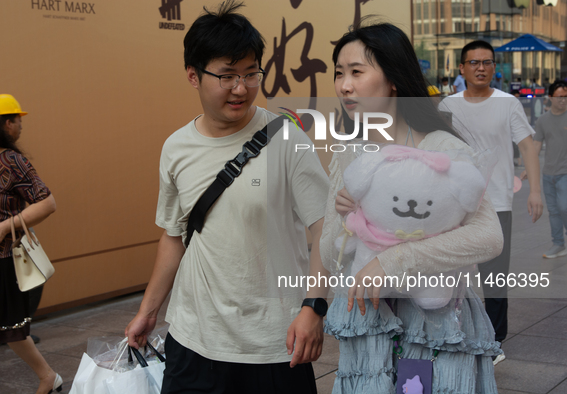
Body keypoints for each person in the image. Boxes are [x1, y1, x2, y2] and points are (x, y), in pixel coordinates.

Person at [125, 2, 330, 393]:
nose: (242, 88)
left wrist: (314, 307)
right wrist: (147, 313)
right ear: (193, 75)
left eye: (252, 74)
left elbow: (326, 228)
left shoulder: (287, 139)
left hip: (274, 344)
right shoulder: (176, 148)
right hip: (193, 340)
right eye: (228, 76)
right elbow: (173, 236)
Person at [321, 23, 504, 393]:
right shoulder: (349, 155)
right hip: (369, 325)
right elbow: (329, 255)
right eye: (339, 73)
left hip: (434, 326)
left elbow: (489, 237)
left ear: (393, 79)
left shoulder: (442, 149)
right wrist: (350, 221)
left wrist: (392, 261)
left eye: (356, 72)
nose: (344, 85)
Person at [441, 40, 543, 363]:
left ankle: (496, 341)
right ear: (462, 68)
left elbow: (527, 147)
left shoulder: (508, 104)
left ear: (494, 67)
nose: (481, 68)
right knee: (449, 271)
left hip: (497, 202)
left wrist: (536, 190)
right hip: (455, 204)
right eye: (474, 63)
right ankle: (450, 330)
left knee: (494, 277)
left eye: (487, 62)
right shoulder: (448, 106)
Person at [0, 102, 60, 394]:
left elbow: (47, 203)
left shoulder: (11, 162)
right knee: (6, 329)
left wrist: (3, 226)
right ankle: (47, 377)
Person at [0, 94, 42, 346]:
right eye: (19, 120)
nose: (21, 126)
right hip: (6, 241)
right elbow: (45, 201)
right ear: (7, 124)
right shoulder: (10, 159)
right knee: (29, 283)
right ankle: (12, 333)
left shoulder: (3, 158)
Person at [522, 80, 567, 258]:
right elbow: (537, 144)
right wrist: (528, 166)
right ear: (550, 97)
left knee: (564, 207)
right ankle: (558, 244)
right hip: (549, 173)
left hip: (565, 173)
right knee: (554, 211)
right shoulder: (543, 120)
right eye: (560, 97)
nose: (563, 100)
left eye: (566, 97)